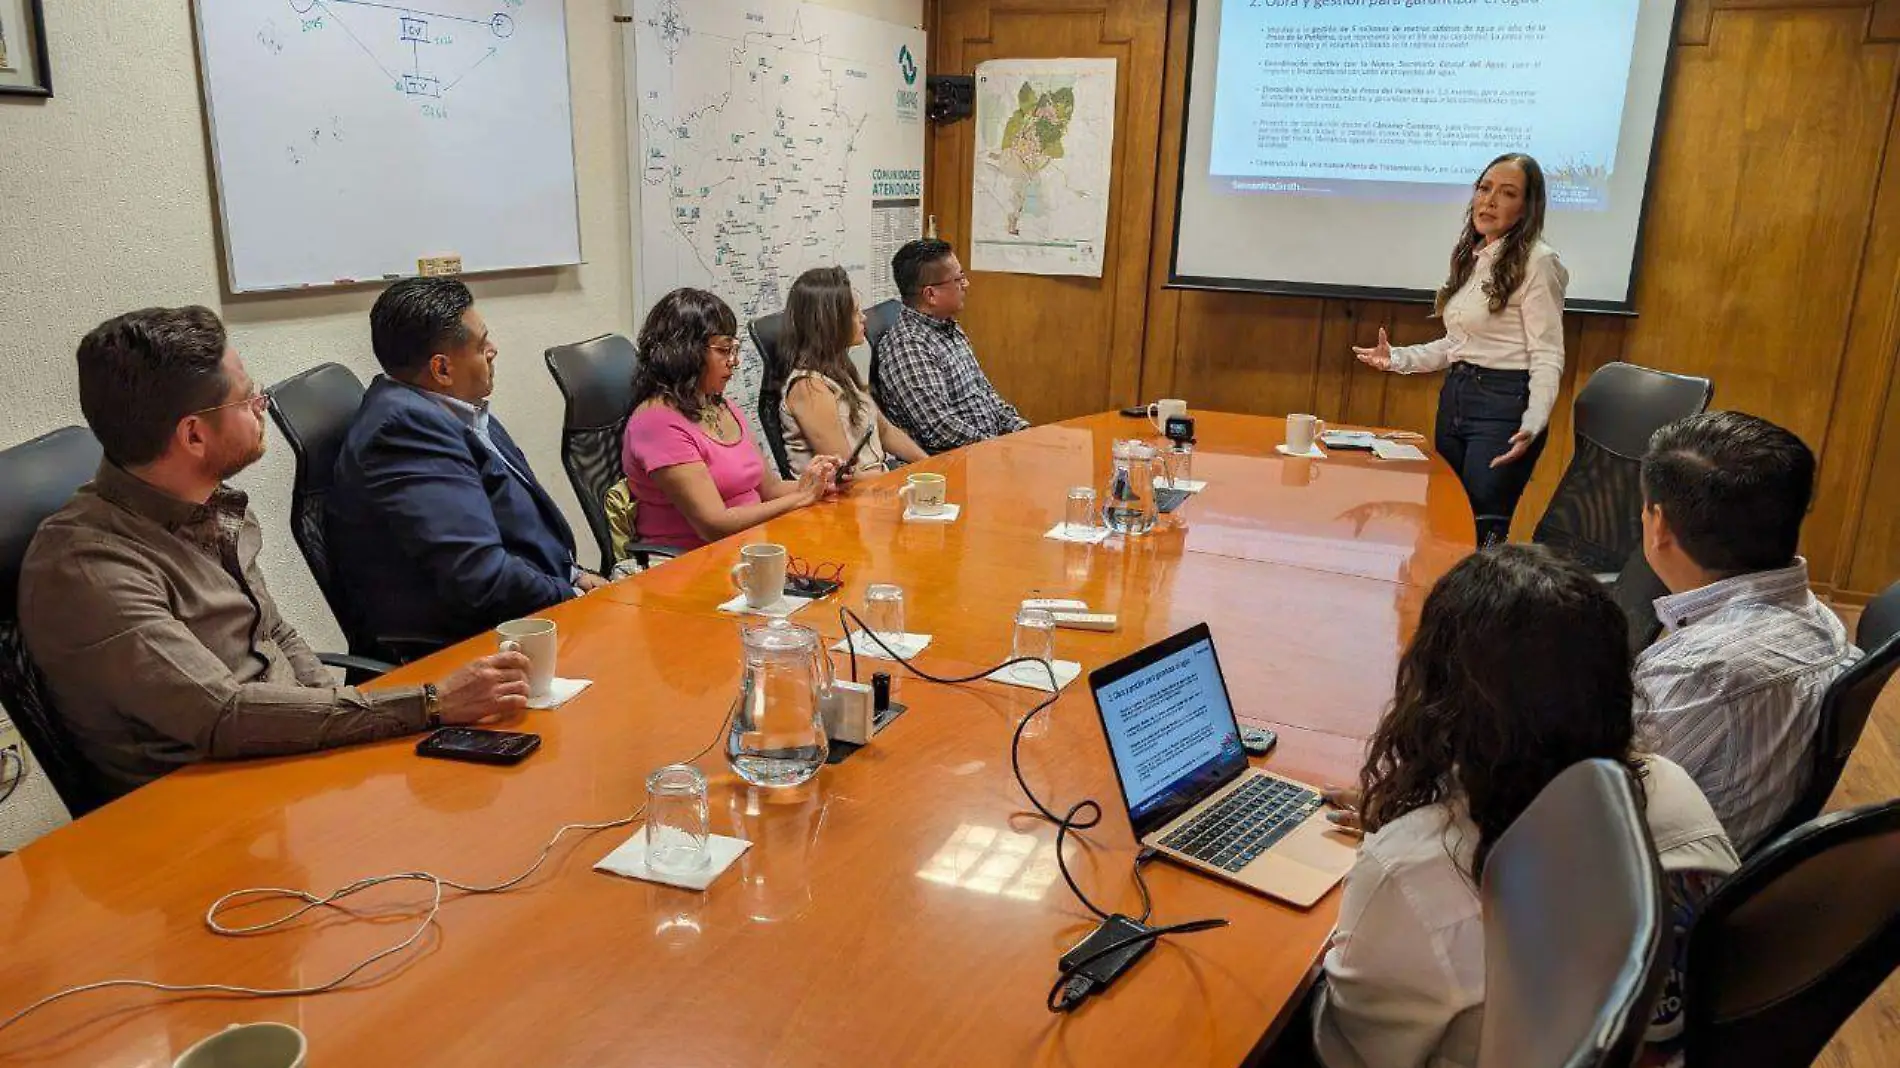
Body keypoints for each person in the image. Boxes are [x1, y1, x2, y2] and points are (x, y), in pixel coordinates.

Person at [19, 306, 530, 800]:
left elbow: (273, 632)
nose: (262, 405)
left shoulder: (211, 505)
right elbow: (223, 713)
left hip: (289, 762)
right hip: (207, 812)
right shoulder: (88, 566)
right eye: (246, 400)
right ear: (193, 435)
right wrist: (428, 703)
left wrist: (352, 728)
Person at [1311, 545, 1737, 1068]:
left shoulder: (1416, 873)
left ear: (1436, 694)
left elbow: (1348, 1049)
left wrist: (1398, 844)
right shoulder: (1670, 786)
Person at [327, 278, 599, 662]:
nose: (493, 350)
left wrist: (574, 576)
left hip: (536, 608)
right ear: (441, 368)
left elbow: (518, 530)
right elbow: (481, 575)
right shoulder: (404, 433)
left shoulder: (450, 409)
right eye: (481, 343)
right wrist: (570, 597)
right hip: (480, 647)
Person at [1634, 411, 1861, 854]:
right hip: (1746, 854)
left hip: (1659, 893)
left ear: (1658, 524)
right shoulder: (1826, 625)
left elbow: (1602, 810)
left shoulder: (1693, 672)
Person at [1354, 152, 1567, 547]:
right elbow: (1458, 345)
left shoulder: (1538, 262)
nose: (1488, 201)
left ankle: (1478, 610)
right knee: (1447, 518)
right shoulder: (1478, 257)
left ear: (1526, 208)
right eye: (1484, 189)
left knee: (1478, 526)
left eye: (1506, 194)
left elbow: (1548, 353)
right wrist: (1396, 358)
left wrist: (1534, 418)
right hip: (1458, 396)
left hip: (1505, 407)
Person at [622, 288, 842, 551]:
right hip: (692, 563)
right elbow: (713, 526)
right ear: (685, 352)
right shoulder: (657, 422)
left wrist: (818, 483)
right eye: (724, 350)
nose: (734, 362)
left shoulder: (721, 406)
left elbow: (770, 490)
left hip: (752, 546)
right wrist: (802, 498)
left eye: (734, 349)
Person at [873, 239, 1030, 453]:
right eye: (958, 279)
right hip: (957, 463)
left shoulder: (948, 326)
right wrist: (1000, 448)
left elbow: (985, 394)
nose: (966, 285)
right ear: (931, 294)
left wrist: (1023, 431)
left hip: (988, 449)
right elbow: (940, 428)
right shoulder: (909, 346)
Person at [775, 266, 927, 478]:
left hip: (875, 485)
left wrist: (929, 465)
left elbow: (885, 431)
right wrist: (900, 481)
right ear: (832, 322)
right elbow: (846, 474)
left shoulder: (840, 369)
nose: (864, 318)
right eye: (855, 312)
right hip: (842, 501)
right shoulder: (809, 387)